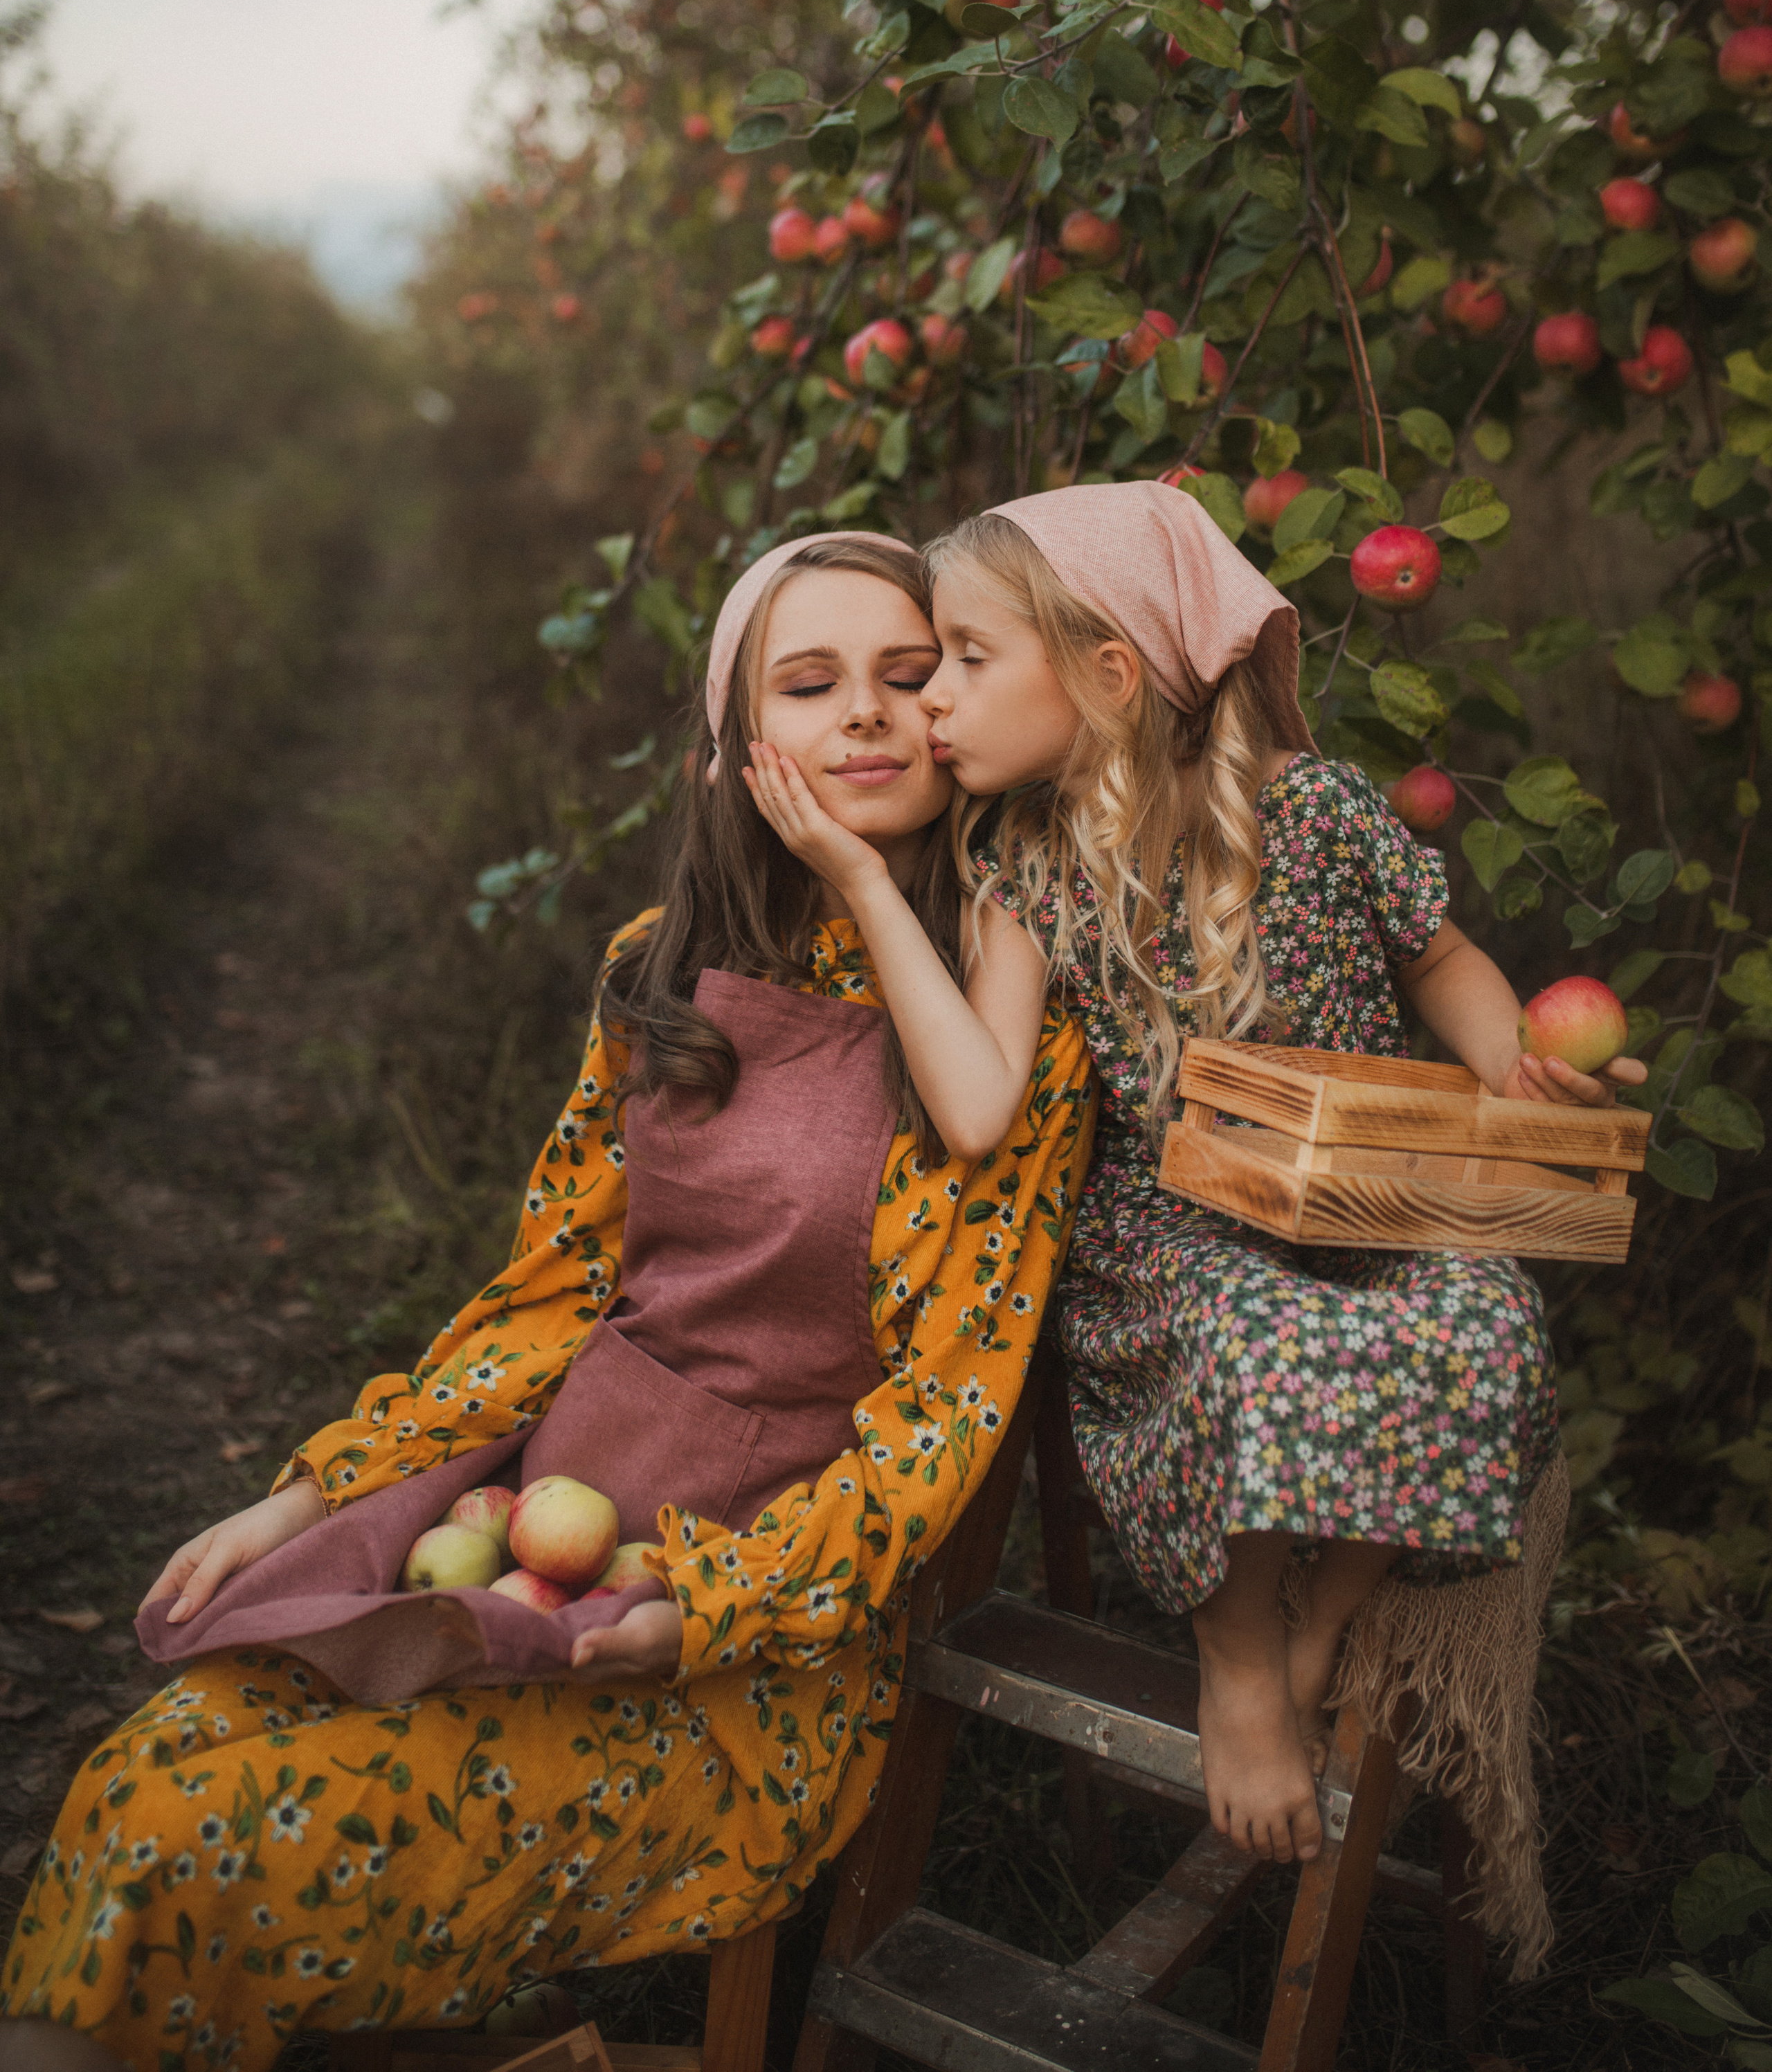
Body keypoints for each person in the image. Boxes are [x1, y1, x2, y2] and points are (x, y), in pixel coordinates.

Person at [0, 533, 1094, 2072]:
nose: (863, 713)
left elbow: (939, 1433)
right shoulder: (656, 970)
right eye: (809, 681)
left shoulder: (999, 1023)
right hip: (530, 1541)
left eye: (906, 678)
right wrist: (310, 1495)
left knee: (215, 1839)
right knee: (143, 1776)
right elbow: (548, 1300)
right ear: (734, 743)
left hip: (739, 1662)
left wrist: (703, 1610)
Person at [743, 481, 1642, 1967]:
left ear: (1105, 674)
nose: (930, 701)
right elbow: (971, 1107)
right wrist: (859, 879)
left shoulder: (1316, 810)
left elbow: (1446, 959)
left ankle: (1315, 1627)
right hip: (1173, 1240)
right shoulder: (1023, 869)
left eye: (966, 659)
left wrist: (1510, 1068)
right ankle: (1238, 1652)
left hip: (1361, 1194)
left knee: (1481, 1317)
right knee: (1241, 1329)